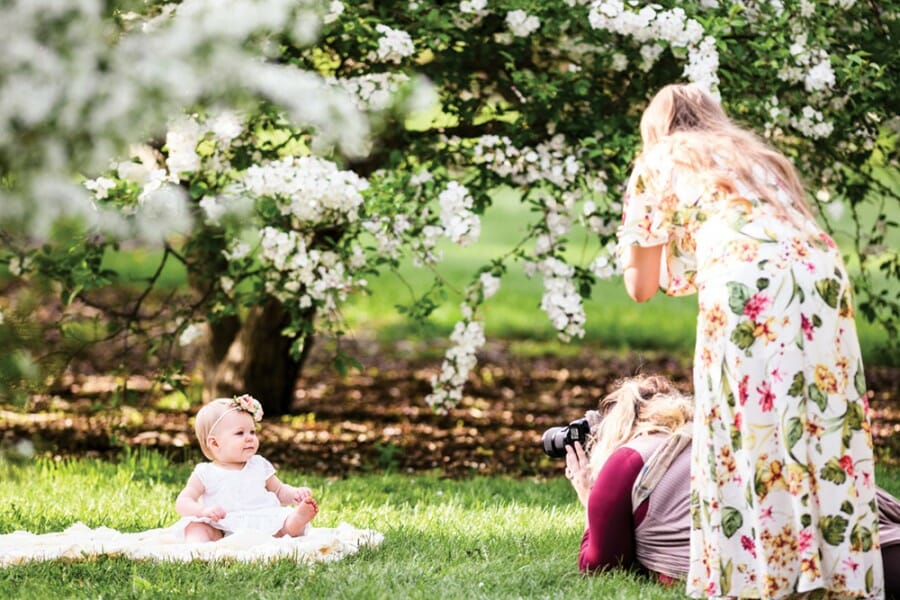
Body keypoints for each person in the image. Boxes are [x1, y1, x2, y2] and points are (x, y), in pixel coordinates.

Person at [614, 83, 883, 598]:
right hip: (821, 274)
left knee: (743, 420)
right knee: (819, 419)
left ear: (657, 129)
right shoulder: (757, 157)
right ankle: (835, 573)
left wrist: (632, 247)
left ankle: (762, 576)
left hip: (747, 285)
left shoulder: (659, 160)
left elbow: (642, 286)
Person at [563, 375, 900, 599]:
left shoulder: (624, 462)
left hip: (817, 577)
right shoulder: (720, 440)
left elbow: (602, 566)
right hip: (869, 550)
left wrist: (589, 499)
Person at [173, 394, 319, 542]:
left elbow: (279, 490)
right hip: (223, 527)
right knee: (195, 526)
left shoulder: (258, 465)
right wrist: (202, 511)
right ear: (215, 443)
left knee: (282, 523)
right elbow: (183, 501)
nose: (250, 437)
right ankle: (198, 548)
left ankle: (294, 524)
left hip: (262, 521)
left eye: (252, 432)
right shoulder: (205, 473)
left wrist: (295, 494)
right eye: (240, 433)